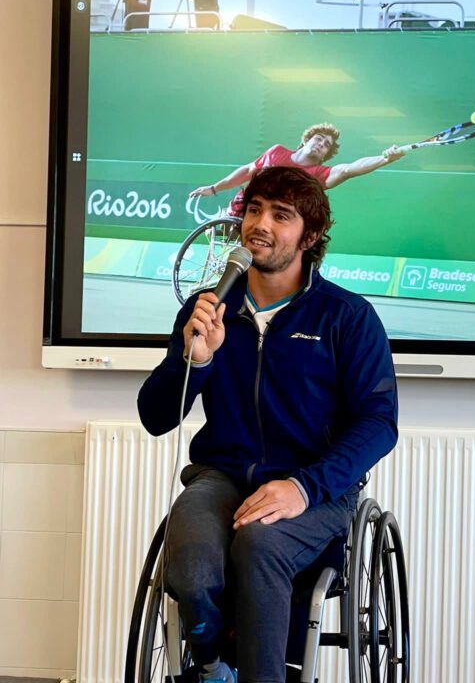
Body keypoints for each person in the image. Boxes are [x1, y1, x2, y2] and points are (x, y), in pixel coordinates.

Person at [138, 166, 398, 683]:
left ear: (311, 235)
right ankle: (214, 668)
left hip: (316, 489)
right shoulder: (207, 309)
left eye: (282, 215)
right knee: (187, 567)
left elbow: (379, 422)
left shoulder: (346, 316)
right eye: (254, 209)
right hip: (222, 476)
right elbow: (155, 417)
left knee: (259, 544)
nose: (261, 224)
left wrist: (304, 486)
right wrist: (198, 361)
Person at [188, 122, 405, 215]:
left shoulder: (320, 175)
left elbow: (349, 169)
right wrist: (214, 188)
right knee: (218, 239)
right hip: (242, 209)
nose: (321, 144)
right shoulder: (276, 152)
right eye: (319, 139)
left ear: (325, 155)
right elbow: (247, 171)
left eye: (326, 145)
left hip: (274, 221)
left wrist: (385, 158)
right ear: (306, 140)